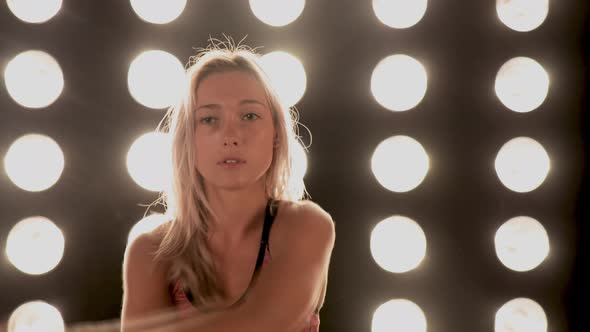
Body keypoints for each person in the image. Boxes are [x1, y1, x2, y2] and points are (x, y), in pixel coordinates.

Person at [120, 39, 335, 332]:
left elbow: (262, 323)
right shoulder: (150, 251)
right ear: (188, 139)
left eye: (249, 116)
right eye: (209, 119)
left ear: (275, 133)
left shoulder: (307, 225)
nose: (230, 135)